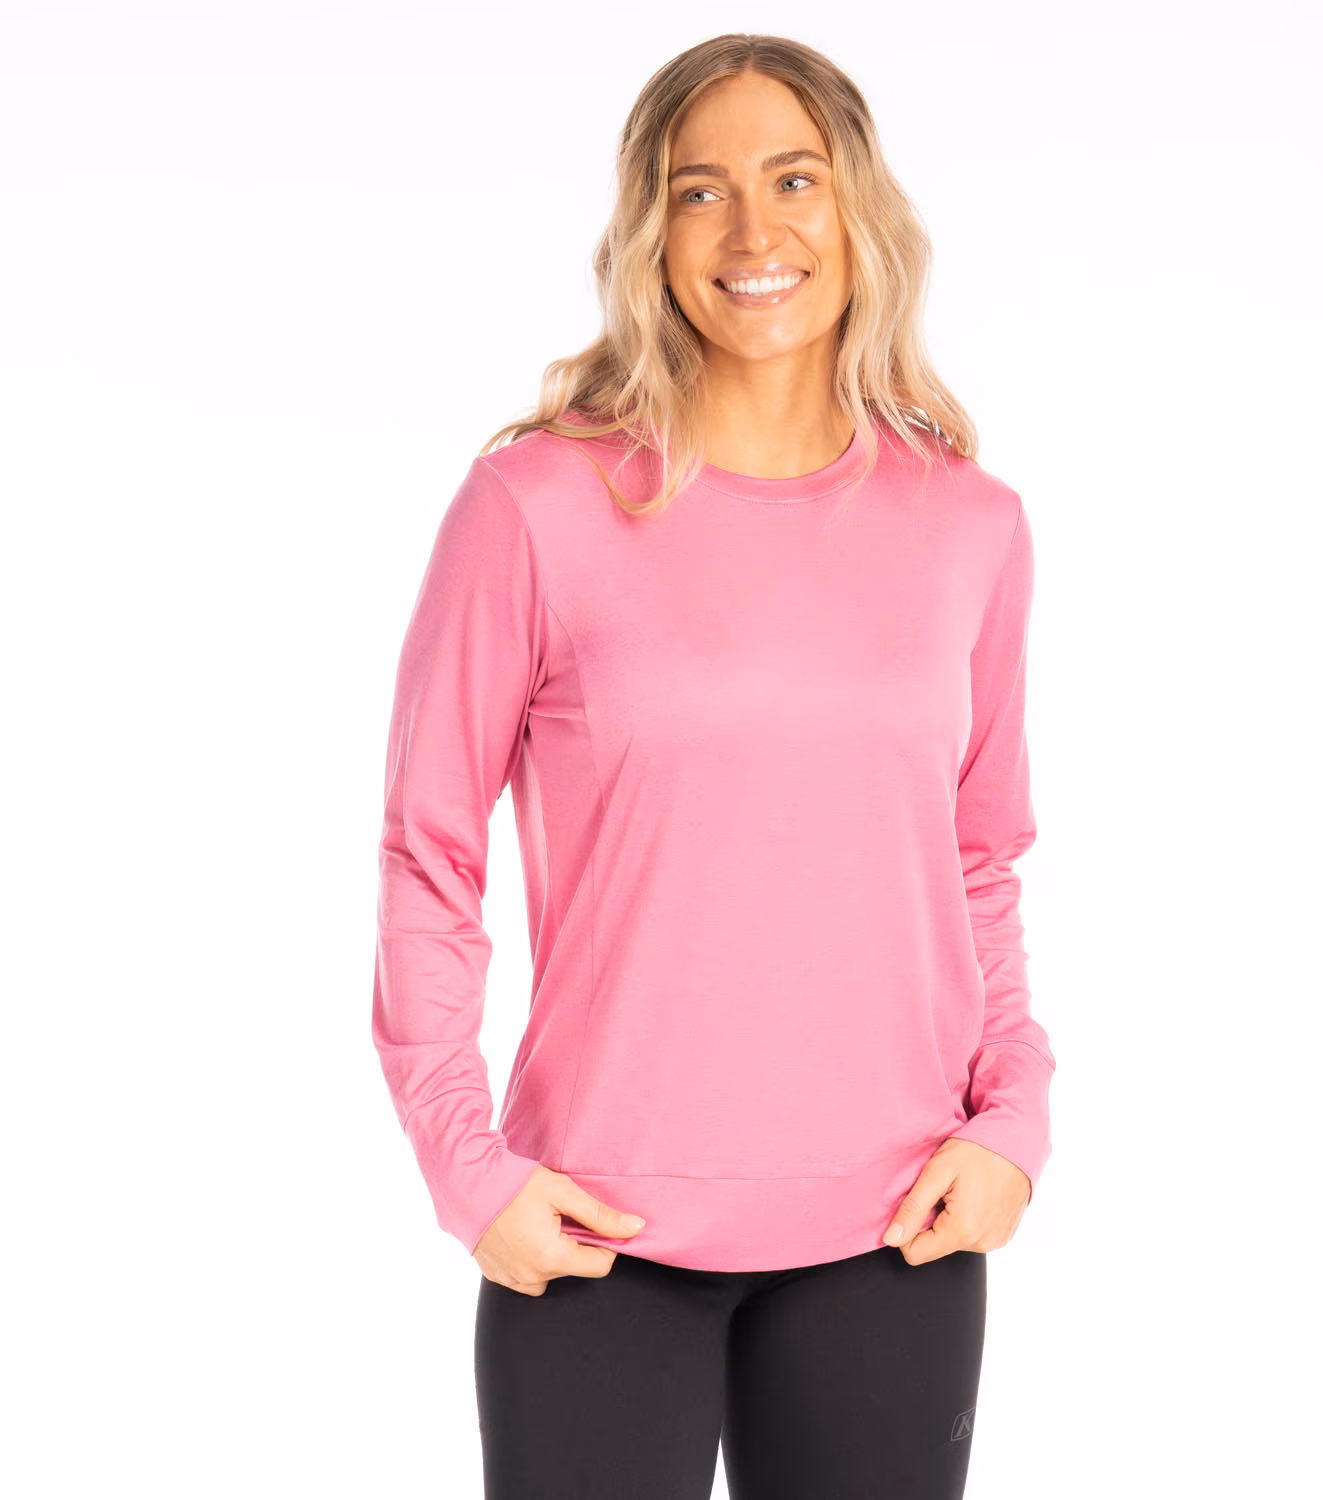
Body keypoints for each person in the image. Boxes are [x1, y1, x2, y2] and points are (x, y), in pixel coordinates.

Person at [371, 32, 1056, 1500]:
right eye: (701, 190)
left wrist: (1015, 1117)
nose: (754, 232)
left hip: (900, 1227)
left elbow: (978, 859)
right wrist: (464, 1165)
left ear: (858, 208)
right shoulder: (534, 505)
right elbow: (430, 851)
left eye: (794, 179)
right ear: (650, 230)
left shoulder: (972, 527)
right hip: (590, 1236)